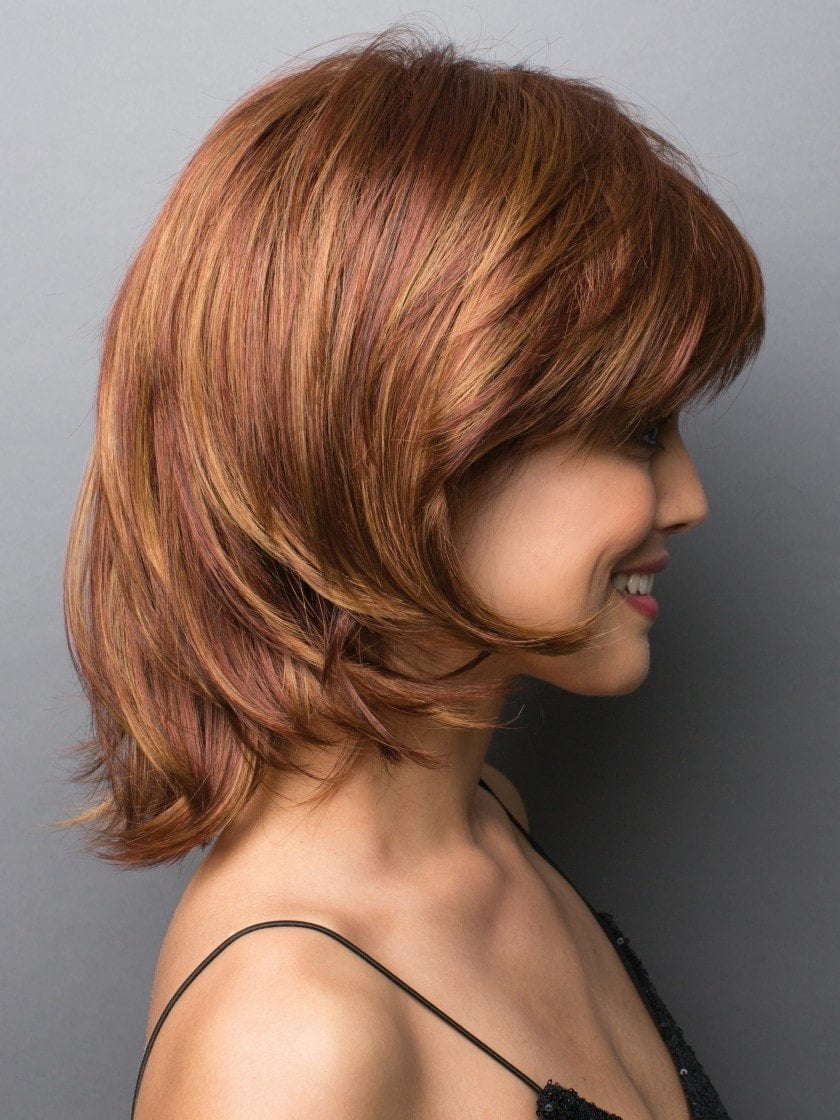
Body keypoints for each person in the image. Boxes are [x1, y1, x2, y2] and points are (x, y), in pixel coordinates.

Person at [59, 24, 765, 1120]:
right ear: (406, 442)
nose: (688, 498)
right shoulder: (289, 1045)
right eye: (635, 429)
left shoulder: (488, 824)